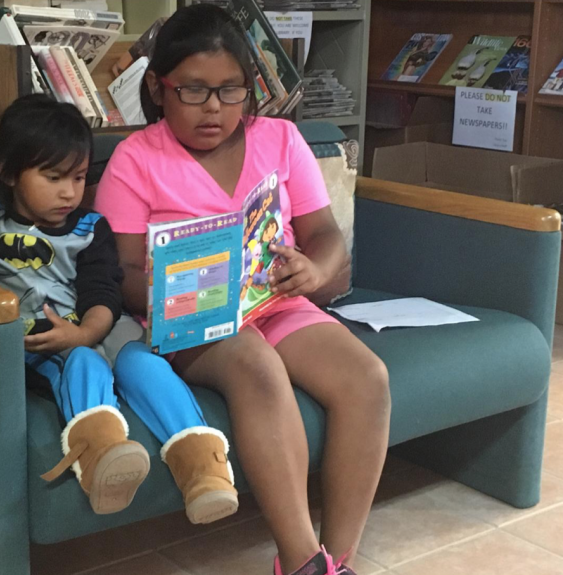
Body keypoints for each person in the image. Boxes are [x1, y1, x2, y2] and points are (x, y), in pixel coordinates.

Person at [94, 5, 390, 575]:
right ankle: (303, 563)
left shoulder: (280, 139)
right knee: (256, 367)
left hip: (275, 302)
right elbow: (121, 273)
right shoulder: (135, 160)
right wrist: (163, 280)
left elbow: (325, 235)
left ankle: (338, 559)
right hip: (190, 319)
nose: (214, 108)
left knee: (367, 379)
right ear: (159, 89)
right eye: (193, 91)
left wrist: (313, 269)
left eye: (230, 91)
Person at [0, 95, 238, 524]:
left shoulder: (92, 229)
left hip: (100, 325)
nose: (69, 192)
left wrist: (88, 331)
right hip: (42, 343)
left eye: (78, 177)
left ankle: (204, 467)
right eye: (53, 177)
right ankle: (102, 459)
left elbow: (103, 292)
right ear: (8, 172)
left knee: (145, 365)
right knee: (84, 363)